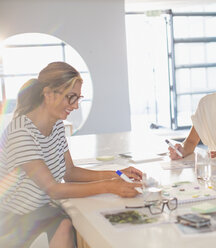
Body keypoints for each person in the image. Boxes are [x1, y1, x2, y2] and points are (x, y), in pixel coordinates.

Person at [0, 62, 143, 248]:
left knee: (73, 223)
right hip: (12, 218)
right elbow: (53, 188)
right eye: (71, 98)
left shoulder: (57, 125)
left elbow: (70, 172)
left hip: (40, 209)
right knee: (66, 225)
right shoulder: (21, 133)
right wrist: (110, 186)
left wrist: (117, 173)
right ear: (48, 93)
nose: (75, 106)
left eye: (78, 98)